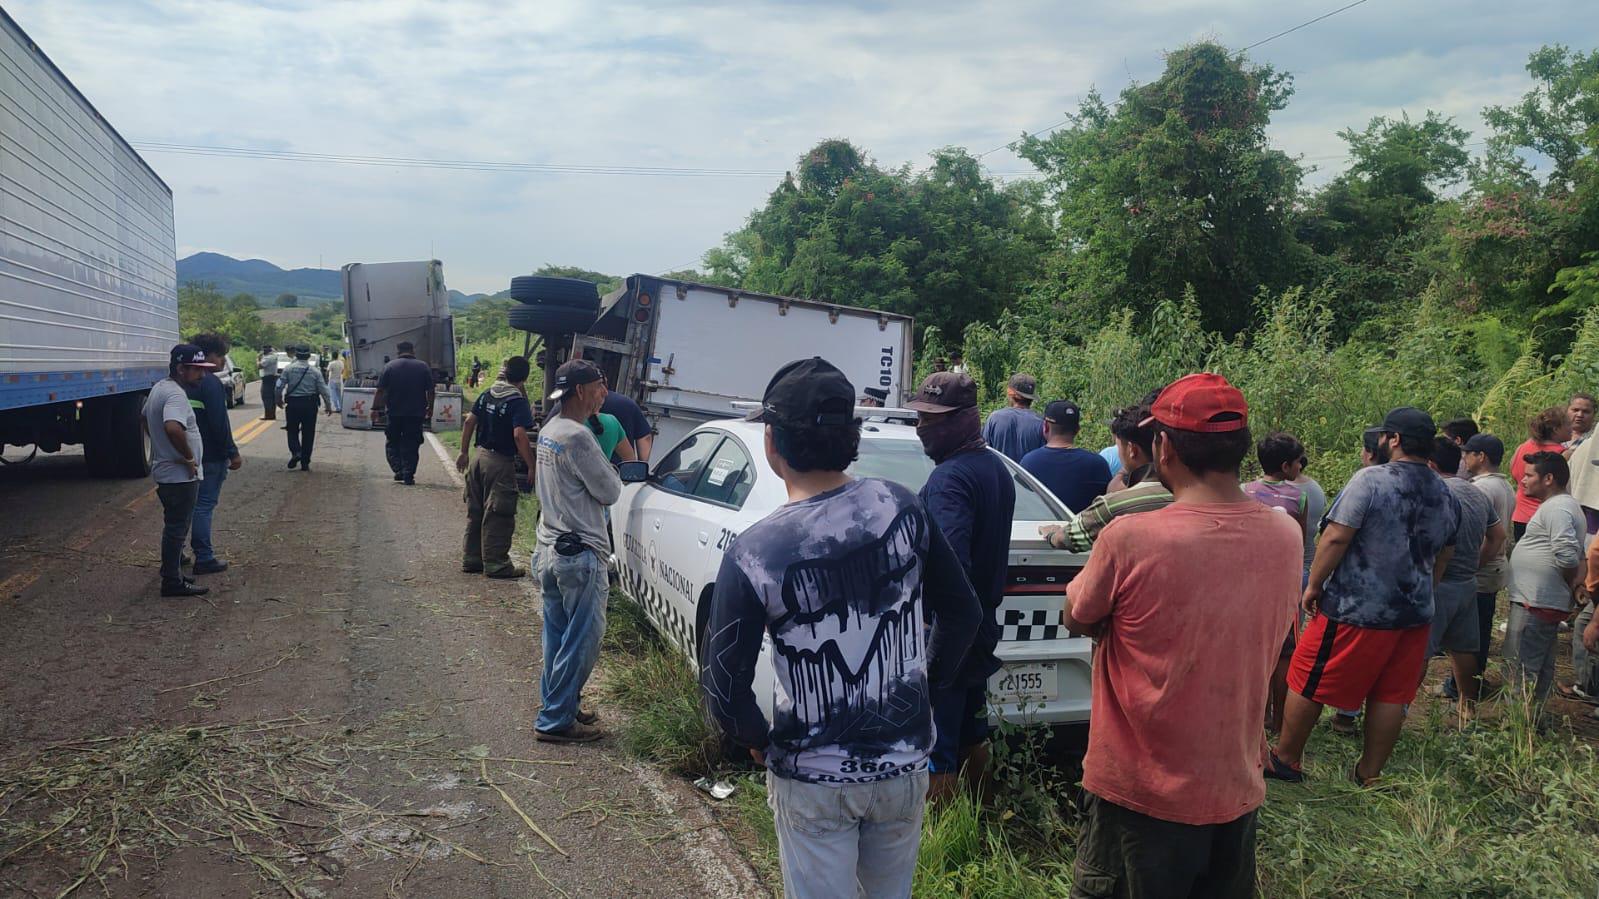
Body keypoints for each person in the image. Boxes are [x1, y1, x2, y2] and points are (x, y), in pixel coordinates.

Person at [701, 357, 981, 899]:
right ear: (852, 437)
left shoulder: (755, 551)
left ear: (773, 442)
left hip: (812, 777)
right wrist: (924, 690)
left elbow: (724, 685)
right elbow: (963, 612)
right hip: (903, 767)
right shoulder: (902, 506)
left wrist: (756, 739)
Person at [1063, 373, 1298, 898]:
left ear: (1163, 447)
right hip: (1235, 785)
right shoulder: (1286, 533)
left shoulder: (1130, 537)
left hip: (1139, 794)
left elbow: (1077, 615)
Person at [1268, 408, 1460, 786]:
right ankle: (1369, 773)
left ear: (1395, 440)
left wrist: (1314, 585)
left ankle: (1286, 759)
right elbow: (1445, 554)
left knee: (1308, 677)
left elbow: (1337, 537)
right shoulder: (1444, 491)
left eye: (1386, 436)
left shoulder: (1371, 480)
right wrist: (1425, 590)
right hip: (1414, 613)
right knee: (1392, 693)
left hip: (1356, 607)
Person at [905, 370, 1013, 801]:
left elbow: (952, 568)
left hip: (949, 632)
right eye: (920, 417)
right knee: (971, 734)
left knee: (936, 748)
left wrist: (933, 635)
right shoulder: (994, 467)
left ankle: (940, 836)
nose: (922, 427)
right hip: (980, 626)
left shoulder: (949, 480)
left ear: (965, 419)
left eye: (932, 419)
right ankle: (981, 820)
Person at [533, 360, 623, 743]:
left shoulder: (550, 429)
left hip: (549, 546)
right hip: (580, 553)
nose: (604, 393)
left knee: (557, 637)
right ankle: (555, 720)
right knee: (583, 640)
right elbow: (610, 491)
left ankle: (561, 705)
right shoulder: (578, 437)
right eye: (600, 386)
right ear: (582, 391)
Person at [1425, 437, 1505, 721]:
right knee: (1463, 648)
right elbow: (1498, 535)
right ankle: (1467, 708)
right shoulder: (1476, 492)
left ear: (1430, 464)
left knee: (1420, 649)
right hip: (1467, 582)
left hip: (1438, 582)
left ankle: (1400, 708)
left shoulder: (1436, 492)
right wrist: (1476, 563)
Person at [1502, 451, 1585, 709]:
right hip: (1539, 599)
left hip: (1536, 601)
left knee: (1520, 667)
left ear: (1548, 478)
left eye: (1529, 475)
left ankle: (1517, 722)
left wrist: (1570, 581)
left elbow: (1568, 555)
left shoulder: (1558, 508)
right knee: (1539, 665)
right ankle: (1535, 719)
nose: (1522, 480)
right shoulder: (1559, 506)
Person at [1441, 433, 1517, 702]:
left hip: (1482, 568)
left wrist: (1474, 564)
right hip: (1493, 566)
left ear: (1480, 456)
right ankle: (1469, 686)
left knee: (1470, 636)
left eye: (1468, 454)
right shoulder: (1504, 485)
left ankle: (1461, 687)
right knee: (1478, 630)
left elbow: (1489, 534)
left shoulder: (1480, 489)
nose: (1464, 459)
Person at [1243, 432, 1310, 734]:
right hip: (1284, 585)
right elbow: (1300, 541)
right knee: (1284, 652)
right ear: (1285, 466)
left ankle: (1259, 716)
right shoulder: (1299, 497)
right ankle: (1279, 718)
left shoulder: (1244, 491)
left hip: (1249, 584)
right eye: (1297, 462)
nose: (1300, 467)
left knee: (1256, 651)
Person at [1045, 403, 1173, 552]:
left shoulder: (1113, 506)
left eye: (1119, 447)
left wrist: (1051, 534)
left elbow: (1067, 538)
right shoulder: (1183, 492)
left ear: (1132, 450)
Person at [145, 345, 217, 597]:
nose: (202, 375)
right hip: (179, 476)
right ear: (180, 369)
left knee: (174, 526)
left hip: (169, 472)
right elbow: (173, 427)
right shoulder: (175, 394)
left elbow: (143, 418)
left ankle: (173, 572)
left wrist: (160, 448)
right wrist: (187, 457)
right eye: (196, 370)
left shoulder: (159, 388)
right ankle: (172, 581)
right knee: (177, 528)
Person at [457, 356, 538, 579]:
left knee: (476, 510)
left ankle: (472, 558)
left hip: (478, 457)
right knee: (499, 513)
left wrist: (463, 452)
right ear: (524, 378)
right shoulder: (517, 402)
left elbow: (469, 422)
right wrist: (531, 465)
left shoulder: (488, 393)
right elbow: (519, 435)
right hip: (500, 462)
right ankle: (496, 564)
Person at [187, 333, 243, 575]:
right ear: (208, 355)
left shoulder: (178, 382)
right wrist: (232, 452)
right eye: (220, 356)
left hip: (183, 454)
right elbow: (220, 423)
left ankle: (176, 553)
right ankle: (204, 557)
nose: (222, 361)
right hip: (209, 454)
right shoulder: (210, 383)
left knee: (184, 507)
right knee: (204, 505)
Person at [1020, 401, 1111, 513]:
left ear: (1046, 427)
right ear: (1077, 430)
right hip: (1084, 524)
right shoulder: (1098, 464)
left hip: (1042, 523)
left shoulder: (1029, 462)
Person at [373, 341, 435, 485]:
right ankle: (408, 474)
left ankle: (398, 470)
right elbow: (431, 391)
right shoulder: (423, 367)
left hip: (394, 413)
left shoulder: (389, 367)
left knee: (392, 442)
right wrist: (430, 407)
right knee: (412, 443)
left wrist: (374, 409)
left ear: (398, 351)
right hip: (416, 414)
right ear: (413, 351)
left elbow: (380, 390)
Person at [1510, 407, 1570, 540]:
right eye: (1567, 425)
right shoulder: (1563, 454)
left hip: (1520, 515)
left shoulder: (1522, 447)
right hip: (1546, 517)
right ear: (1556, 429)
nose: (1571, 428)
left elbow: (1514, 474)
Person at [276, 346, 333, 472]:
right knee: (308, 433)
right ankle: (305, 462)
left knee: (292, 430)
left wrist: (278, 399)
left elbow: (279, 386)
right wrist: (328, 406)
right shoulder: (315, 371)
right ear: (308, 357)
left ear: (296, 355)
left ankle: (296, 452)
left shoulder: (288, 369)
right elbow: (324, 390)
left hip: (293, 404)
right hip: (310, 405)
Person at [981, 373, 1045, 463]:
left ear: (1010, 393)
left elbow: (984, 452)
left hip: (999, 472)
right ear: (1031, 398)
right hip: (1028, 472)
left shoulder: (995, 418)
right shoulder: (1041, 423)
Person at [599, 390, 653, 462]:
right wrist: (641, 465)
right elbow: (645, 437)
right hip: (619, 466)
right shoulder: (627, 404)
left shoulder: (585, 411)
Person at [257, 345, 279, 421]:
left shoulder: (269, 358)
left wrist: (258, 359)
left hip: (268, 379)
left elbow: (260, 366)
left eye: (264, 350)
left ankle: (269, 415)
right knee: (271, 397)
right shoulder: (272, 356)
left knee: (266, 396)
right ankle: (271, 414)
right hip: (271, 378)